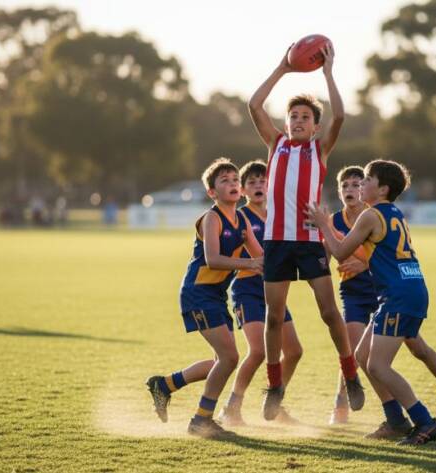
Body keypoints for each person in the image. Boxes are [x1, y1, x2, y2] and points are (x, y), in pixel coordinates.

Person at [248, 41, 364, 420]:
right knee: (274, 318)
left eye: (304, 118)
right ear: (286, 123)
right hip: (278, 242)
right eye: (292, 116)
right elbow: (253, 105)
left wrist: (328, 73)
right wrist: (283, 68)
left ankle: (350, 376)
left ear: (315, 126)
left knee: (330, 313)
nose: (297, 121)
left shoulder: (320, 151)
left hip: (311, 240)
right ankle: (275, 385)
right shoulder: (275, 143)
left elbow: (341, 116)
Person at [307, 159, 436, 446]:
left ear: (382, 189)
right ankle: (395, 420)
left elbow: (341, 251)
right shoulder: (393, 212)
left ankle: (425, 422)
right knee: (362, 357)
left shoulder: (370, 216)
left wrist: (323, 224)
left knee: (379, 366)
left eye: (367, 179)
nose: (361, 184)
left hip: (399, 295)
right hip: (406, 290)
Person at [146, 158, 264, 438]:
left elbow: (262, 256)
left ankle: (165, 385)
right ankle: (201, 419)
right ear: (212, 192)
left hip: (216, 296)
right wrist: (250, 265)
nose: (233, 184)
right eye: (225, 181)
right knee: (229, 358)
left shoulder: (243, 220)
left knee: (220, 362)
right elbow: (212, 260)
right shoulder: (212, 217)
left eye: (235, 180)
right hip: (197, 294)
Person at [219, 160, 304, 426]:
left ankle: (275, 401)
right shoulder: (241, 216)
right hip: (247, 289)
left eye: (262, 181)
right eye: (252, 182)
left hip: (274, 290)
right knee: (257, 351)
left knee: (293, 351)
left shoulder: (279, 215)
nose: (258, 186)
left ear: (271, 186)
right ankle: (231, 407)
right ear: (243, 190)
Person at [328, 166, 378, 424]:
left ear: (365, 189)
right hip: (352, 291)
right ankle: (341, 403)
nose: (350, 190)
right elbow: (324, 256)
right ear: (339, 192)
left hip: (381, 290)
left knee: (416, 347)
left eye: (356, 185)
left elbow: (387, 254)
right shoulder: (333, 221)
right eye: (345, 185)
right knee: (352, 351)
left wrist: (365, 264)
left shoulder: (373, 216)